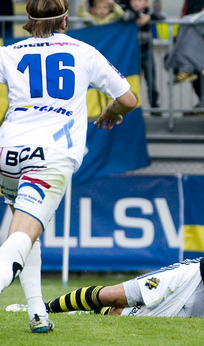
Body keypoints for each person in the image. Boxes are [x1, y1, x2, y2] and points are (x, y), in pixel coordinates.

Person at [0, 0, 137, 333]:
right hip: (50, 154)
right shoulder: (83, 52)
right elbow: (129, 99)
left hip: (8, 152)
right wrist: (109, 112)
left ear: (27, 20)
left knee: (25, 229)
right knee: (22, 236)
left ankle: (37, 313)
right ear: (64, 19)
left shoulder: (10, 53)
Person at [13, 194, 204, 320]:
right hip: (195, 278)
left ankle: (84, 315)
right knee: (115, 294)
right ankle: (42, 309)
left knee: (120, 318)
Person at [122, 0, 163, 115]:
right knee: (133, 81)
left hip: (147, 52)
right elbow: (125, 17)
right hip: (133, 53)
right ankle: (132, 108)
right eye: (133, 1)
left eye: (140, 0)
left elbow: (161, 16)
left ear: (146, 3)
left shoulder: (148, 13)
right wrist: (137, 16)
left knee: (151, 80)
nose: (136, 3)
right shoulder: (128, 13)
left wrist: (148, 17)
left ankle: (154, 106)